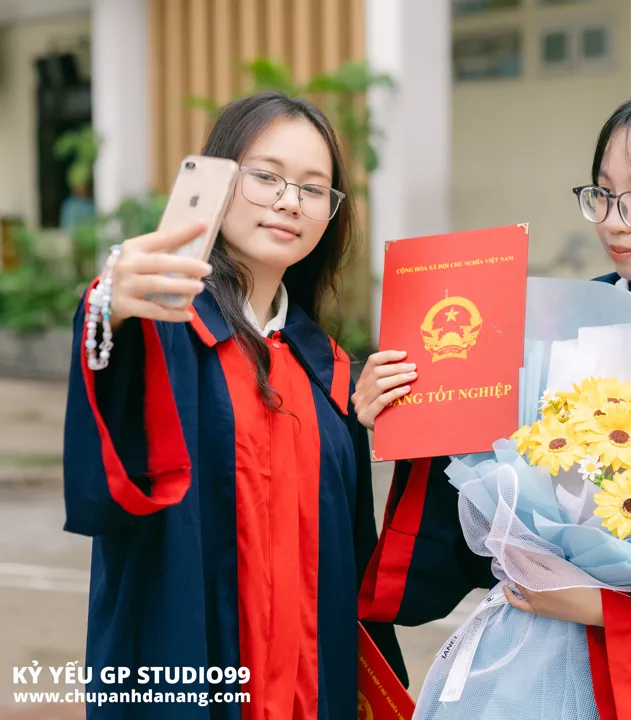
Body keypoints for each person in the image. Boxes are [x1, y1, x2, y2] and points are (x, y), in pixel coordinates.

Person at [355, 81, 631, 719]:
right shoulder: (545, 330)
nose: (613, 221)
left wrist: (608, 609)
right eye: (602, 193)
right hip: (522, 666)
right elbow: (468, 506)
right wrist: (404, 413)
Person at [62, 91, 404, 719]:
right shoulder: (165, 331)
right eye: (266, 177)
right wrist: (108, 307)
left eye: (313, 189)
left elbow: (355, 562)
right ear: (219, 180)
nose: (289, 202)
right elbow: (109, 423)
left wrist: (394, 424)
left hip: (309, 689)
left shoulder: (327, 370)